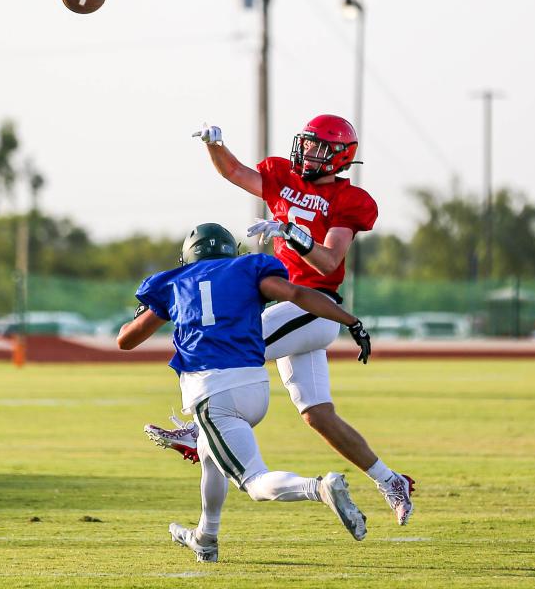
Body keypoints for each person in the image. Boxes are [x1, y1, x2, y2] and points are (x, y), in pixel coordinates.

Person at [145, 116, 415, 526]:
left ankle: (199, 430)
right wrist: (214, 146)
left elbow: (328, 261)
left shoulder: (348, 200)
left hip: (312, 305)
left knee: (227, 346)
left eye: (319, 147)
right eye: (306, 144)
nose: (307, 152)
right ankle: (391, 480)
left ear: (340, 157)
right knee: (317, 415)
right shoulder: (283, 178)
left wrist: (290, 232)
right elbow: (234, 172)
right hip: (295, 314)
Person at [118, 223, 373, 563]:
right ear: (230, 252)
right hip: (254, 386)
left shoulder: (173, 283)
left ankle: (319, 488)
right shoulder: (247, 269)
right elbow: (298, 295)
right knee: (210, 458)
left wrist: (154, 307)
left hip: (212, 392)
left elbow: (126, 340)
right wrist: (351, 321)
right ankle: (205, 537)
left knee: (254, 481)